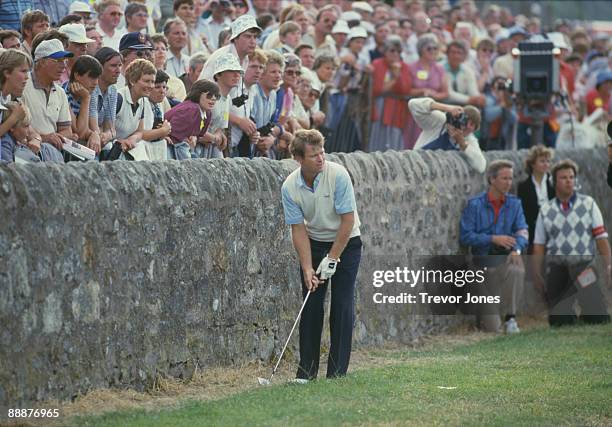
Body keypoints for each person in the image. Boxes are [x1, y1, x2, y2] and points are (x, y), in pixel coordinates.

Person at [280, 128, 362, 381]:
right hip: (314, 243)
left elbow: (347, 221)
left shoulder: (338, 175)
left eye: (322, 152)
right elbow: (298, 229)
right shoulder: (290, 186)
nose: (320, 158)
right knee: (312, 305)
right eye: (314, 155)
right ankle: (306, 372)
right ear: (299, 158)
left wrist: (333, 258)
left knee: (341, 304)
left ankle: (337, 373)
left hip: (346, 243)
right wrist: (307, 267)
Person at [532, 159, 611, 327]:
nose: (569, 181)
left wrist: (609, 266)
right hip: (558, 270)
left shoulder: (589, 204)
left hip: (584, 268)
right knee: (559, 322)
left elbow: (601, 238)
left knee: (598, 319)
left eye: (572, 177)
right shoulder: (546, 209)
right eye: (563, 178)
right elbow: (538, 245)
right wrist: (536, 272)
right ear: (554, 182)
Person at [460, 160, 528, 333]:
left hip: (503, 261)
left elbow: (522, 232)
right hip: (479, 267)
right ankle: (491, 321)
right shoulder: (474, 205)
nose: (509, 183)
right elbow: (465, 236)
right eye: (504, 178)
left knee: (517, 269)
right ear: (491, 179)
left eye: (511, 179)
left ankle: (511, 318)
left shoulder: (515, 204)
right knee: (493, 329)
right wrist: (492, 239)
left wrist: (516, 249)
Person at [22, 39, 75, 155]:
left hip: (51, 153)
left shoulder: (60, 92)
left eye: (65, 61)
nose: (64, 66)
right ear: (41, 62)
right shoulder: (22, 85)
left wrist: (56, 138)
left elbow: (66, 130)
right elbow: (16, 127)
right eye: (58, 61)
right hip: (26, 150)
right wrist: (45, 138)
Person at [408, 97, 486, 173]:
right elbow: (413, 104)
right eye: (465, 121)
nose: (467, 127)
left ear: (475, 129)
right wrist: (447, 108)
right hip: (415, 166)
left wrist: (462, 144)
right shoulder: (441, 121)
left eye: (472, 125)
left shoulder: (469, 140)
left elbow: (481, 166)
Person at [165, 79, 219, 160]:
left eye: (217, 96)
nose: (213, 99)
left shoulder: (207, 113)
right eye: (209, 95)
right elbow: (173, 134)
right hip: (171, 145)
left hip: (184, 146)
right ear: (198, 94)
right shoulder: (191, 109)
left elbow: (199, 134)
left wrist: (194, 138)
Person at [517, 145, 554, 251]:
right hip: (533, 234)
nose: (546, 164)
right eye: (542, 161)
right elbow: (524, 213)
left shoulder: (553, 184)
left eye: (548, 161)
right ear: (532, 164)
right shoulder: (523, 186)